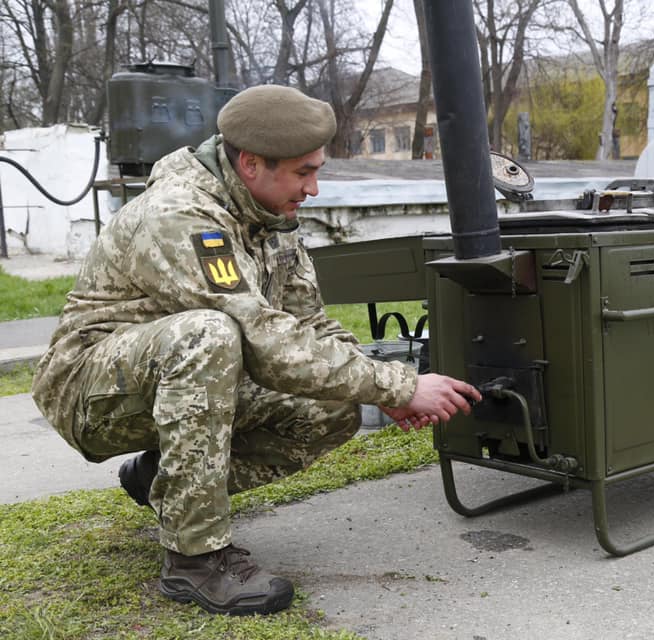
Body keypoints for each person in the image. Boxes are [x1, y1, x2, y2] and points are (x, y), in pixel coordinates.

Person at [31, 85, 481, 616]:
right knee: (209, 333)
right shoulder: (179, 215)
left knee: (331, 409)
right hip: (91, 390)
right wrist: (403, 385)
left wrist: (375, 385)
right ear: (249, 163)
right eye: (302, 172)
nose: (312, 188)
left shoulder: (272, 219)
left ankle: (160, 481)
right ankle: (194, 561)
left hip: (181, 380)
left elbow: (306, 323)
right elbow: (259, 336)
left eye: (316, 171)